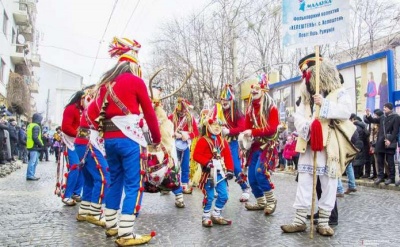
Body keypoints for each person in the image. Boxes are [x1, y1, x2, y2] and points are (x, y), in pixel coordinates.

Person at [94, 37, 161, 246]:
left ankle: (111, 225)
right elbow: (150, 113)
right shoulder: (136, 81)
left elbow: (95, 112)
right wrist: (156, 139)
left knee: (115, 181)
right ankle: (125, 233)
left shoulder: (105, 83)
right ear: (133, 62)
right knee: (133, 184)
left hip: (109, 141)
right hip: (130, 140)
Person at [281, 54, 354, 236]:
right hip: (309, 144)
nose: (309, 80)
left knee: (329, 183)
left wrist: (325, 104)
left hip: (330, 146)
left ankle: (323, 222)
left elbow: (346, 111)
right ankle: (299, 221)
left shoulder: (339, 92)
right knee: (304, 182)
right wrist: (306, 125)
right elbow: (298, 116)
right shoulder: (305, 97)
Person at [242, 73, 279, 216]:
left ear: (264, 90)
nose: (254, 91)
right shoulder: (250, 108)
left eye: (257, 88)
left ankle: (271, 201)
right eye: (253, 88)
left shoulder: (272, 107)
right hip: (254, 147)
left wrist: (252, 131)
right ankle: (260, 201)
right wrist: (245, 137)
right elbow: (247, 128)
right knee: (251, 177)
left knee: (260, 172)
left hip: (267, 146)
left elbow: (272, 128)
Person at [193, 103, 234, 227]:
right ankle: (205, 216)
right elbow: (196, 155)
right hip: (208, 173)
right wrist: (207, 162)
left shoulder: (223, 141)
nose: (216, 127)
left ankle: (216, 214)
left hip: (220, 172)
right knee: (209, 196)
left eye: (218, 125)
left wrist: (230, 169)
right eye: (213, 124)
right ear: (208, 125)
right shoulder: (203, 140)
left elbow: (227, 156)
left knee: (224, 195)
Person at [75, 86, 110, 227]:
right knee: (103, 178)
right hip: (90, 143)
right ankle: (95, 213)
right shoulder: (99, 103)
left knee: (89, 179)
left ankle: (84, 210)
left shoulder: (93, 104)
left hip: (82, 142)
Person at [219, 83, 251, 202]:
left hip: (233, 143)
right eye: (222, 100)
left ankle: (245, 188)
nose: (224, 102)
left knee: (236, 167)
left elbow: (242, 128)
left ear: (231, 100)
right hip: (220, 143)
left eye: (227, 100)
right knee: (220, 166)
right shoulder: (219, 111)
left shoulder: (237, 113)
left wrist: (229, 131)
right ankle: (224, 189)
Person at [169, 97, 199, 194]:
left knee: (185, 165)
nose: (182, 113)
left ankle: (184, 185)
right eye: (180, 111)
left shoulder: (190, 118)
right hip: (173, 145)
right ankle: (170, 184)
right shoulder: (171, 117)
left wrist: (186, 135)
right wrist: (173, 134)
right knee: (173, 165)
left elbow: (196, 133)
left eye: (184, 111)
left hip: (185, 145)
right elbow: (166, 130)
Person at [365, 102, 400, 185]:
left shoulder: (396, 117)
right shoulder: (382, 117)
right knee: (380, 159)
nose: (384, 108)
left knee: (390, 160)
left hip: (389, 141)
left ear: (390, 108)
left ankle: (391, 177)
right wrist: (368, 114)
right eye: (384, 107)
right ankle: (380, 176)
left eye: (385, 107)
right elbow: (373, 120)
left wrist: (390, 140)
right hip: (381, 141)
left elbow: (395, 131)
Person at [61, 90, 85, 206]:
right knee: (75, 167)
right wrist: (80, 135)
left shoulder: (85, 111)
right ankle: (67, 195)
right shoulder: (71, 109)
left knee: (82, 167)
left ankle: (76, 192)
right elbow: (65, 127)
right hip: (70, 142)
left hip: (82, 143)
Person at [26, 113, 44, 181]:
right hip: (34, 146)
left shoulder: (30, 125)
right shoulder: (36, 126)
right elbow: (35, 137)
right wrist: (41, 144)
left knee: (34, 161)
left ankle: (31, 174)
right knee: (33, 161)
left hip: (30, 145)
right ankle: (30, 175)